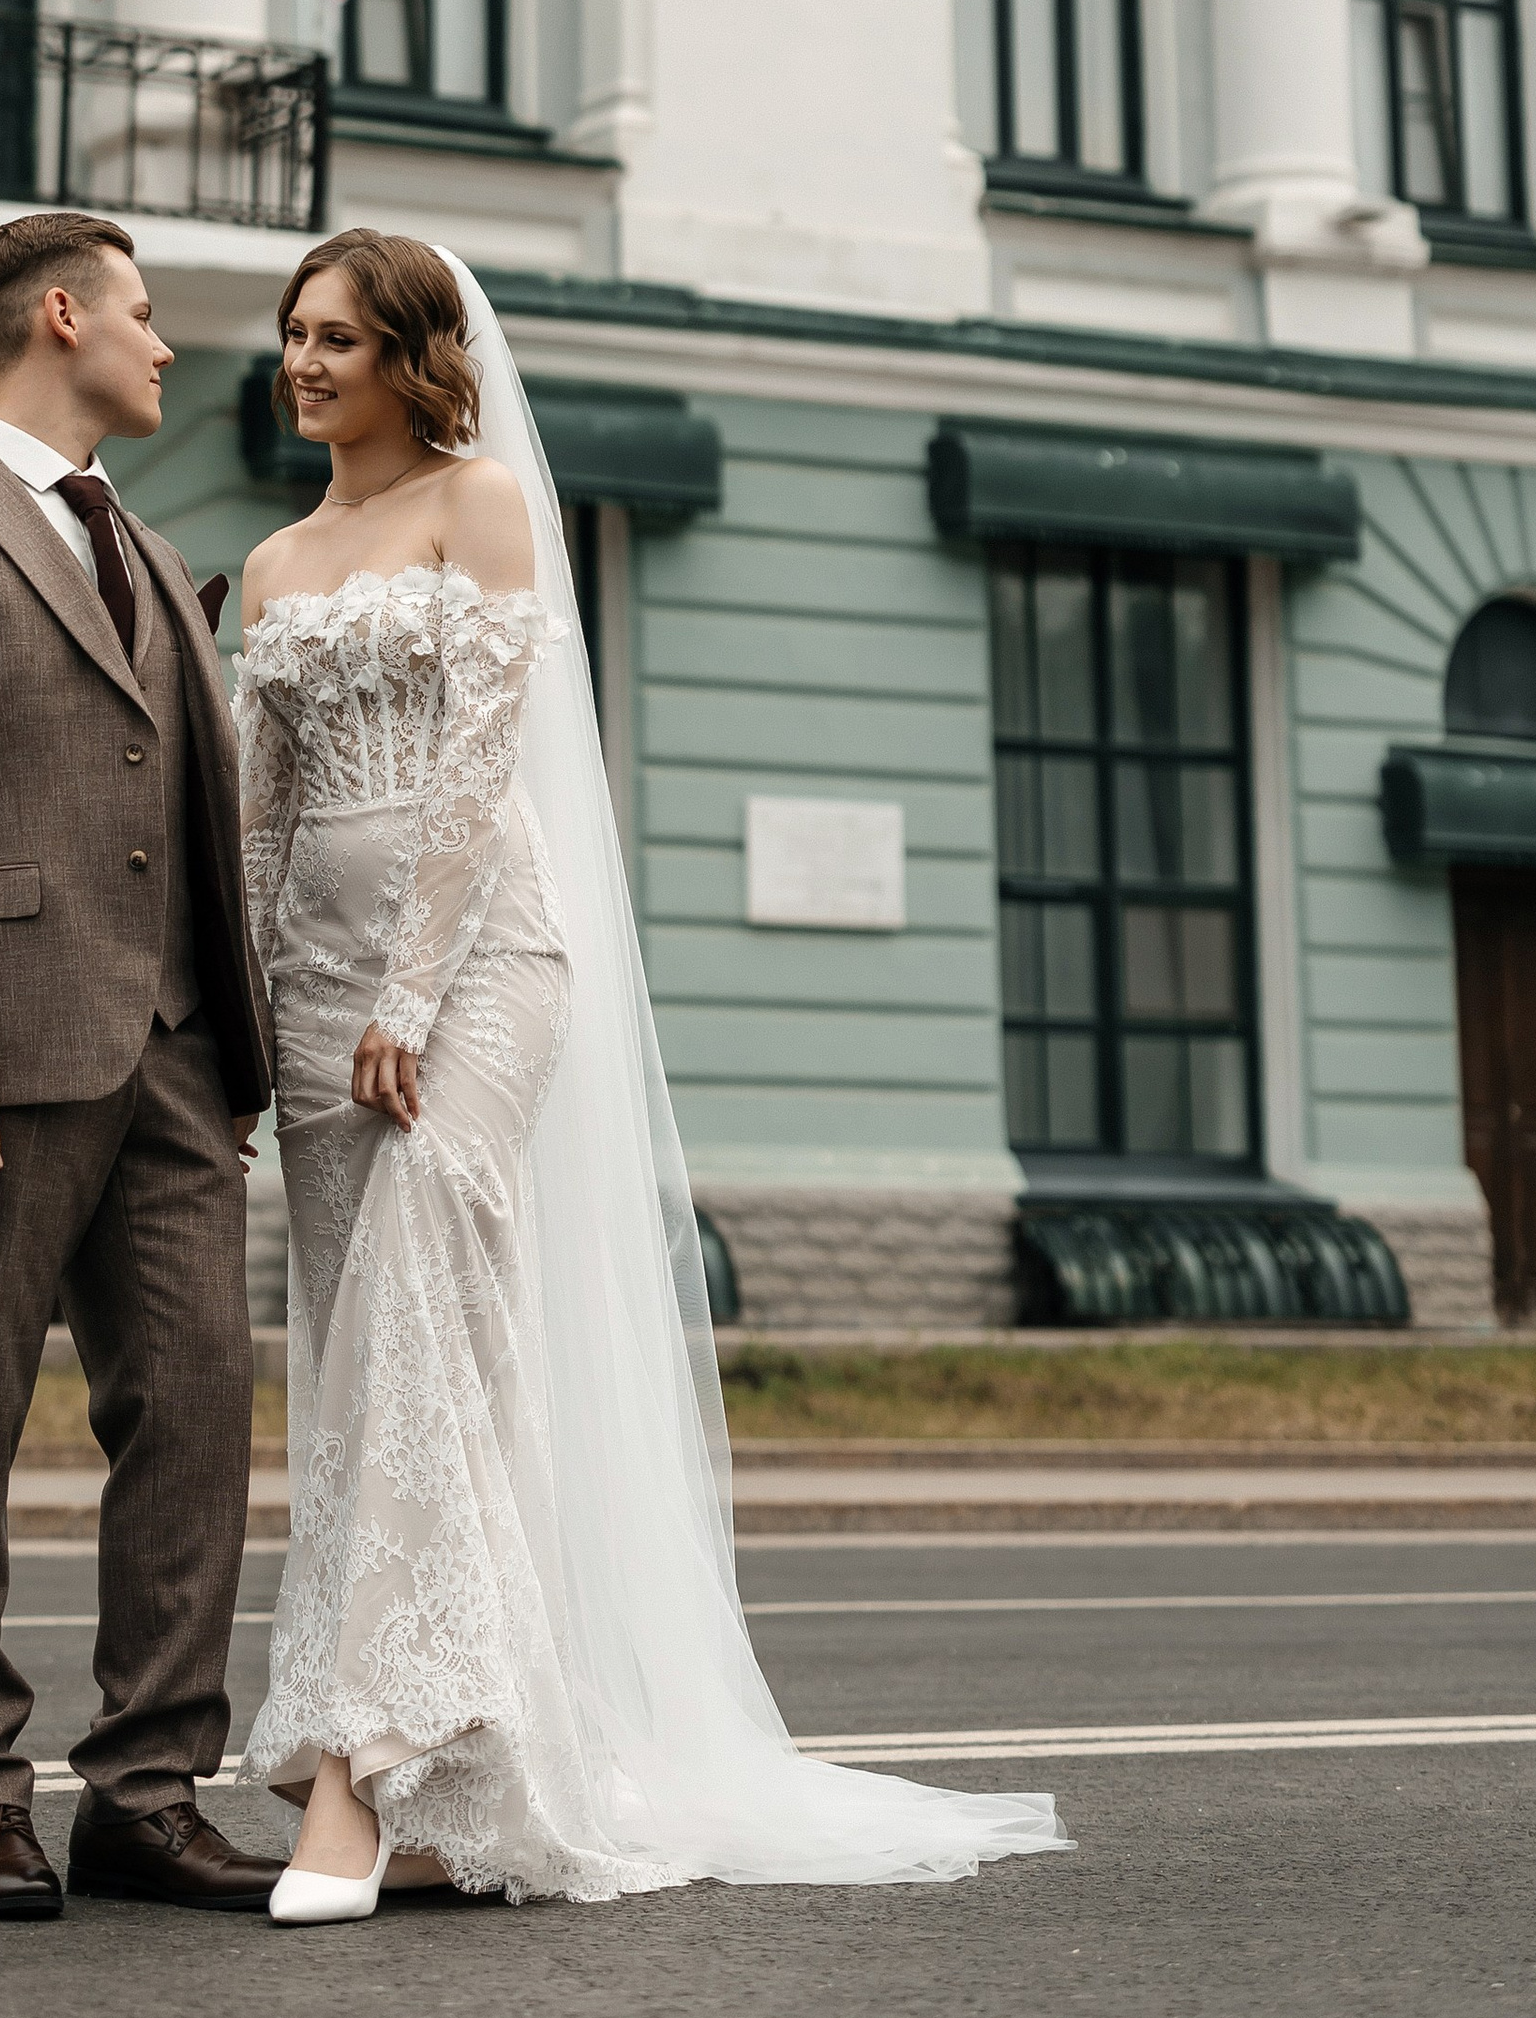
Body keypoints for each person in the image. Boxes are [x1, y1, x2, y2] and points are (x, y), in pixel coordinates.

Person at [236, 227, 1070, 1922]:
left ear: (412, 355)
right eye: (290, 336)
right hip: (315, 998)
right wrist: (252, 1033)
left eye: (334, 337)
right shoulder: (265, 563)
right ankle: (487, 1764)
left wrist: (410, 988)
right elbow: (262, 820)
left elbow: (480, 766)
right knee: (383, 1356)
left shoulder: (483, 507)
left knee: (418, 1297)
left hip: (472, 970)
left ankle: (356, 1765)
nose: (302, 362)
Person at [0, 209, 282, 1923]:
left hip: (175, 1065)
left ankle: (147, 1794)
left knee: (199, 1426)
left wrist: (236, 1049)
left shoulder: (154, 558)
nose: (166, 348)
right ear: (62, 316)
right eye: (146, 317)